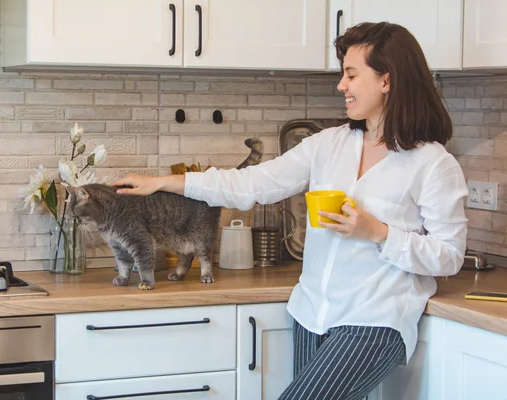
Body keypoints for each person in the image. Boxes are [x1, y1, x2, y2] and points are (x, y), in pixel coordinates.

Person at [111, 22, 468, 400]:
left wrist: (379, 233)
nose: (341, 86)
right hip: (310, 313)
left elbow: (449, 255)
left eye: (351, 74)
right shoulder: (329, 144)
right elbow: (253, 183)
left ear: (387, 80)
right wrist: (164, 182)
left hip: (374, 322)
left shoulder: (432, 164)